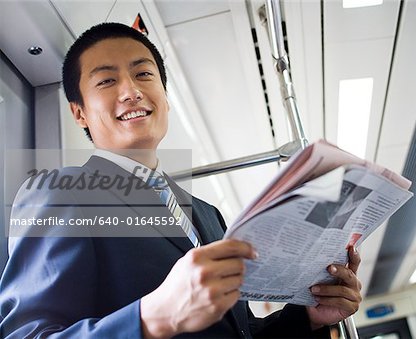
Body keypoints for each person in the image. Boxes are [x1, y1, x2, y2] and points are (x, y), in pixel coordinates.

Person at [0, 22, 362, 338]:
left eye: (144, 74)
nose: (131, 91)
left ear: (165, 97)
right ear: (79, 112)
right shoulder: (59, 193)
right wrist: (153, 317)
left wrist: (309, 317)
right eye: (107, 80)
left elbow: (238, 331)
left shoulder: (207, 215)